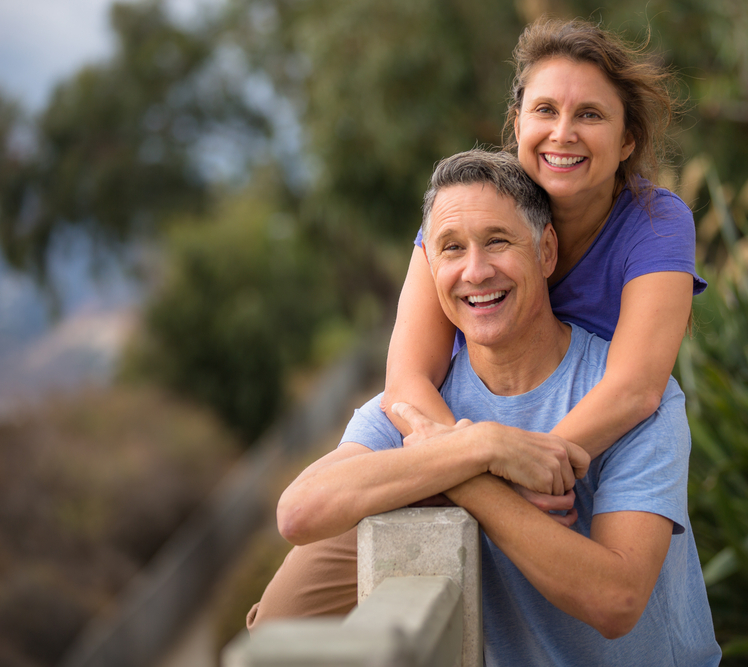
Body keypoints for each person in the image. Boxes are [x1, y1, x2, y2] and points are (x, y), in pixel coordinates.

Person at [247, 15, 707, 625]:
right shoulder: (470, 207)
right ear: (517, 124)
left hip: (569, 425)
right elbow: (407, 380)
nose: (563, 133)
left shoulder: (654, 222)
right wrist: (483, 457)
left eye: (591, 115)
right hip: (468, 424)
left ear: (627, 141)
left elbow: (635, 388)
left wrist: (527, 473)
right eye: (545, 110)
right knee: (278, 620)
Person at [271, 149, 721, 666]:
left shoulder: (632, 400)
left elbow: (616, 601)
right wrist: (482, 445)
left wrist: (462, 473)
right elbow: (299, 511)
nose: (476, 271)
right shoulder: (417, 407)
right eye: (452, 249)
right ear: (430, 267)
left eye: (498, 242)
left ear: (546, 252)